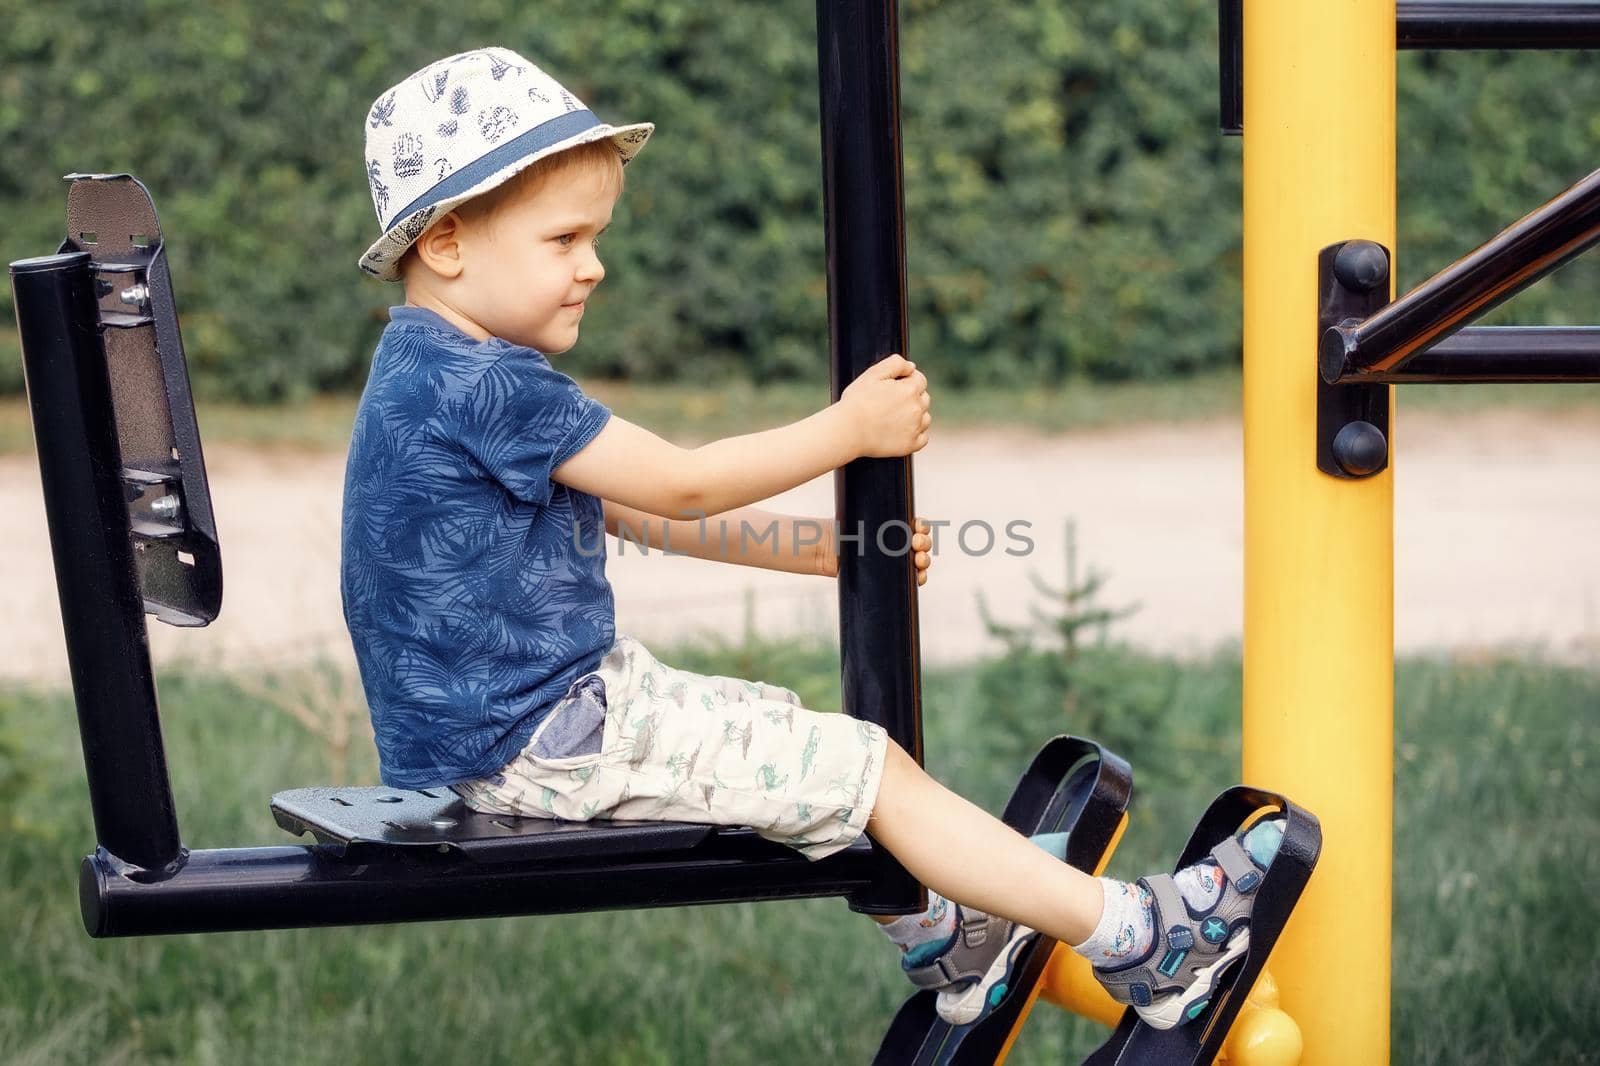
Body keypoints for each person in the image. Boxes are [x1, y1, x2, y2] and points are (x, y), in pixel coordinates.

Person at [344, 47, 1282, 1031]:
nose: (594, 265)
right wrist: (849, 430)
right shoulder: (488, 382)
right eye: (564, 238)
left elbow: (641, 515)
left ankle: (947, 935)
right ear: (447, 244)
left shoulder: (421, 369)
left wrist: (832, 550)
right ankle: (1147, 938)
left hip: (500, 735)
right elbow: (683, 482)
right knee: (873, 769)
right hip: (538, 739)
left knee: (779, 732)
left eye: (597, 235)